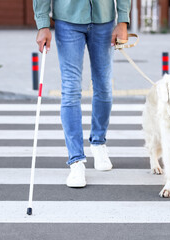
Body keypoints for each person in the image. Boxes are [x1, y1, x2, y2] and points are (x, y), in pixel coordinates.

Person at [33, 0, 131, 187]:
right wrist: (43, 24)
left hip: (104, 20)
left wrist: (123, 21)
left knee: (103, 86)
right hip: (68, 21)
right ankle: (76, 161)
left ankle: (98, 142)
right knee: (70, 89)